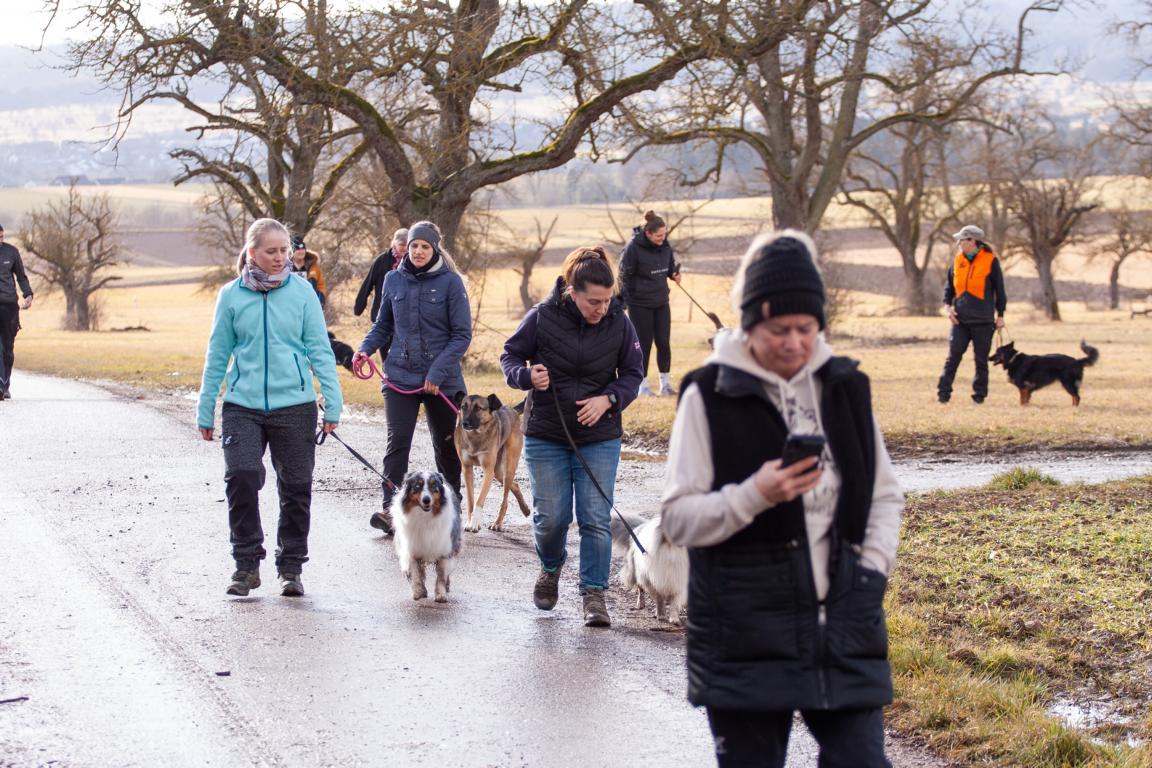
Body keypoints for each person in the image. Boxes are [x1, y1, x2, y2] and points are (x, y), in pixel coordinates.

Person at [661, 230, 903, 766]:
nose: (794, 342)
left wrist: (870, 572)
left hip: (843, 623)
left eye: (806, 328)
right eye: (779, 330)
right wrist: (755, 494)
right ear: (749, 325)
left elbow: (885, 496)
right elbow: (677, 520)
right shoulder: (709, 394)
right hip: (744, 633)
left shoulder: (845, 388)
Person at [197, 218, 343, 598]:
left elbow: (320, 350)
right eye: (271, 251)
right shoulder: (231, 295)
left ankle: (291, 567)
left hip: (295, 404)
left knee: (296, 487)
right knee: (241, 475)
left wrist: (333, 403)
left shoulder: (303, 293)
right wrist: (205, 407)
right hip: (242, 405)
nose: (280, 258)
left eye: (284, 251)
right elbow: (217, 355)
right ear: (252, 252)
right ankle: (246, 565)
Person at [501, 246, 644, 628]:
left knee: (595, 517)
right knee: (552, 518)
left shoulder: (619, 323)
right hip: (547, 433)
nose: (602, 308)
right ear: (572, 292)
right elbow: (510, 356)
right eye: (594, 301)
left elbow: (634, 373)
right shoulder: (541, 317)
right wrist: (526, 376)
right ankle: (550, 567)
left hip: (600, 436)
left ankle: (593, 594)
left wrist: (609, 399)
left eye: (607, 300)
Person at [352, 221, 472, 534]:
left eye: (424, 247)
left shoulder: (451, 283)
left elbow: (461, 335)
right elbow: (383, 326)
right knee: (397, 443)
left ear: (435, 249)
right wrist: (365, 349)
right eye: (414, 245)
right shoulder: (393, 279)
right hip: (400, 377)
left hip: (442, 381)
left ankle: (451, 505)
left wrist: (437, 372)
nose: (418, 251)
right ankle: (392, 510)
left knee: (446, 445)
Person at [937, 224, 1006, 404]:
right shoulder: (957, 261)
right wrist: (948, 307)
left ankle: (979, 395)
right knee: (953, 358)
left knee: (981, 360)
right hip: (960, 320)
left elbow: (1000, 290)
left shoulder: (990, 261)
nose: (959, 243)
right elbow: (949, 289)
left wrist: (1000, 315)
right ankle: (943, 394)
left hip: (983, 321)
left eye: (961, 240)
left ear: (972, 241)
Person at [619, 210, 680, 397]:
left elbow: (669, 268)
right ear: (648, 233)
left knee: (663, 343)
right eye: (659, 235)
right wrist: (623, 302)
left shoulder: (664, 245)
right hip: (639, 304)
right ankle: (642, 387)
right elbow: (623, 276)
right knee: (643, 345)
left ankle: (665, 385)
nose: (663, 238)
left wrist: (674, 274)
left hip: (661, 301)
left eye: (664, 234)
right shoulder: (633, 248)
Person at [0, 224, 34, 400]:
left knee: (8, 347)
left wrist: (28, 294)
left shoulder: (11, 252)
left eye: (1, 237)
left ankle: (5, 385)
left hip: (9, 306)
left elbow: (21, 276)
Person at [354, 227, 408, 323]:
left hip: (405, 314)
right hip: (381, 312)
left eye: (407, 245)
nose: (404, 248)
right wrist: (359, 306)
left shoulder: (414, 262)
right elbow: (368, 283)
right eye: (401, 245)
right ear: (394, 244)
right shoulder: (382, 260)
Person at [290, 234, 328, 307]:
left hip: (310, 304)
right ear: (292, 251)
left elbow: (321, 285)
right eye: (298, 249)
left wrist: (320, 299)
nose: (301, 251)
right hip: (291, 304)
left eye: (303, 249)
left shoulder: (313, 267)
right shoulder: (286, 267)